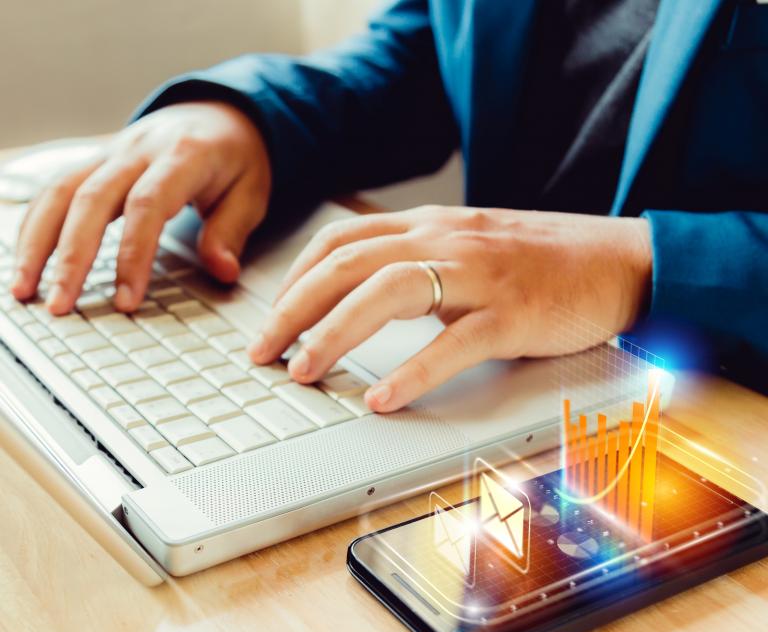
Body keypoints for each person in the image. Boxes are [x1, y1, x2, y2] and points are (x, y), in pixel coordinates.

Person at [11, 0, 768, 412]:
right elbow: (426, 52)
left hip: (725, 422)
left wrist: (639, 264)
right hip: (512, 404)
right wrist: (249, 116)